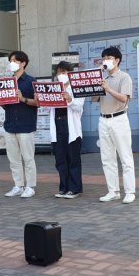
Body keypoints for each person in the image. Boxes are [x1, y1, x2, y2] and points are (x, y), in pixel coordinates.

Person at [92, 47, 137, 204]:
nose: (106, 61)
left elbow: (124, 98)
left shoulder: (124, 77)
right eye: (104, 58)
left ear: (117, 60)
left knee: (125, 156)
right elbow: (94, 100)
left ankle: (130, 191)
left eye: (109, 58)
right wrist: (96, 84)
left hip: (119, 119)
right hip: (103, 119)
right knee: (107, 157)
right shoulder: (103, 78)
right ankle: (113, 191)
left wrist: (108, 88)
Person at [1, 51, 39, 198]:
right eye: (11, 60)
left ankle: (30, 186)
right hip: (10, 125)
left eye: (16, 60)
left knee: (28, 158)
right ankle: (18, 185)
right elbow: (5, 105)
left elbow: (37, 103)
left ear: (23, 63)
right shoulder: (6, 82)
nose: (13, 63)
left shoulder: (31, 81)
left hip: (26, 126)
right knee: (13, 159)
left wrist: (22, 98)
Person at [46, 61, 85, 199]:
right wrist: (41, 98)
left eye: (64, 72)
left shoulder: (76, 87)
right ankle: (63, 187)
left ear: (70, 73)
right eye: (58, 72)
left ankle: (74, 188)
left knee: (73, 159)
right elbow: (47, 108)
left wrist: (70, 99)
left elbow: (79, 107)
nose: (61, 75)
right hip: (57, 126)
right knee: (60, 159)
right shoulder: (53, 88)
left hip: (71, 128)